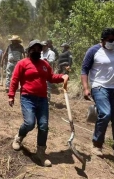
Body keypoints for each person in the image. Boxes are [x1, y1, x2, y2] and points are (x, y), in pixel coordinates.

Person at [8, 39, 68, 167]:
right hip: (27, 98)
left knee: (43, 125)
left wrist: (62, 77)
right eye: (33, 49)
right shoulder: (22, 63)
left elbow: (51, 77)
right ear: (29, 51)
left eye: (39, 49)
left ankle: (40, 153)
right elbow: (15, 79)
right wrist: (11, 95)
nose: (36, 51)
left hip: (42, 99)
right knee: (29, 123)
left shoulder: (45, 64)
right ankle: (19, 137)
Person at [81, 27, 114, 159]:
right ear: (103, 40)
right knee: (105, 114)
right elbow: (84, 70)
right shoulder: (93, 51)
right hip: (99, 87)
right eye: (110, 40)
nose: (113, 43)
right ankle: (97, 144)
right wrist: (86, 88)